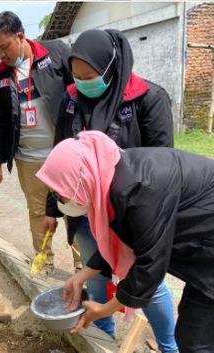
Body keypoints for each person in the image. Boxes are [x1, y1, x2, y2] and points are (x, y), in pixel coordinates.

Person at [45, 29, 177, 351]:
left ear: (110, 68)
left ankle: (168, 344)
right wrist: (53, 207)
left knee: (148, 280)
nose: (81, 83)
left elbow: (163, 168)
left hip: (135, 211)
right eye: (75, 76)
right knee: (99, 272)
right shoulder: (72, 99)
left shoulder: (148, 99)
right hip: (88, 210)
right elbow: (61, 154)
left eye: (88, 76)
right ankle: (101, 335)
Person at [36, 130, 214, 353]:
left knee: (196, 342)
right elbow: (122, 240)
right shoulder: (112, 175)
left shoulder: (137, 190)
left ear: (82, 180)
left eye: (59, 194)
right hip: (202, 242)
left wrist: (104, 309)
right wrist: (81, 275)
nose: (59, 201)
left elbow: (150, 266)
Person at [0, 11, 81, 275]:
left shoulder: (56, 54)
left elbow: (79, 96)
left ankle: (83, 264)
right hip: (28, 159)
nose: (2, 55)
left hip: (64, 156)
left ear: (20, 36)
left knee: (75, 209)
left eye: (5, 47)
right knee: (38, 212)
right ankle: (45, 260)